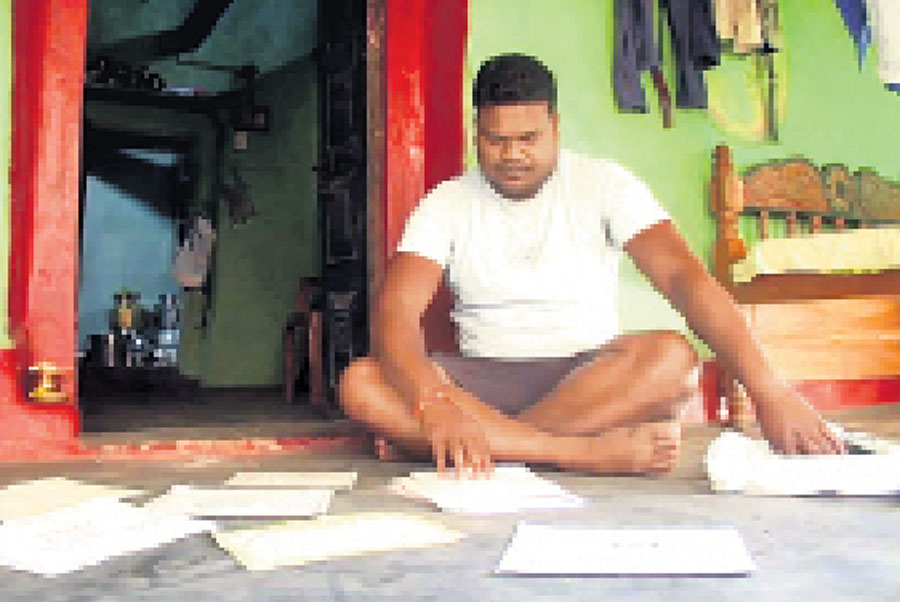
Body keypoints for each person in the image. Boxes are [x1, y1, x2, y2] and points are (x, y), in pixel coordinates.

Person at [339, 53, 844, 476]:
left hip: (590, 380)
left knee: (673, 360)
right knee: (361, 382)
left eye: (529, 138)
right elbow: (396, 310)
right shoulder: (446, 202)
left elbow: (683, 279)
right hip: (479, 383)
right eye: (496, 140)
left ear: (556, 127)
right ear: (476, 133)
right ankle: (577, 452)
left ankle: (478, 447)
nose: (513, 154)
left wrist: (771, 392)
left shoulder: (605, 184)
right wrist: (433, 403)